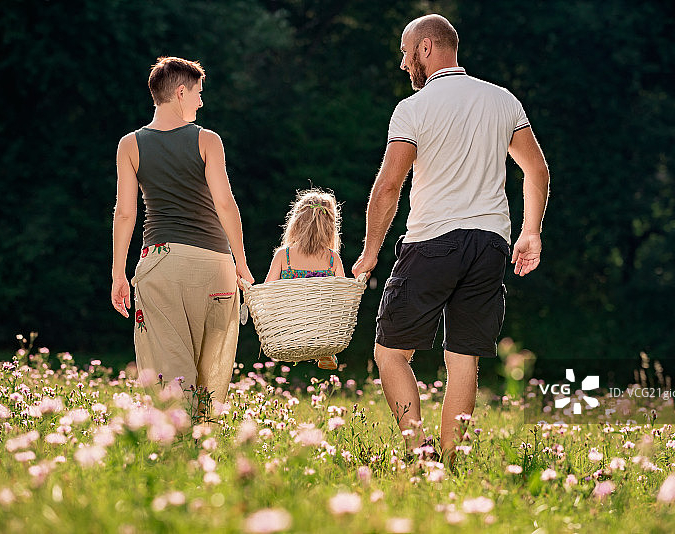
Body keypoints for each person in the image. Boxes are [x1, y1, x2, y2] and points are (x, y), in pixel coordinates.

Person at [352, 14, 550, 464]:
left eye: (405, 53)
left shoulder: (413, 108)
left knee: (390, 352)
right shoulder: (502, 100)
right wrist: (530, 231)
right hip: (490, 245)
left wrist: (369, 252)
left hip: (432, 242)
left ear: (425, 48)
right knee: (463, 357)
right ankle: (449, 461)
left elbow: (388, 185)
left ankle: (417, 452)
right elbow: (536, 169)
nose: (403, 63)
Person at [111, 56, 254, 410]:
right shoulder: (208, 140)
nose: (201, 102)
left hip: (161, 266)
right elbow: (225, 204)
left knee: (171, 367)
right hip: (215, 267)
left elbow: (126, 213)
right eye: (198, 93)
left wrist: (118, 273)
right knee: (211, 368)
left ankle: (177, 434)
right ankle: (204, 432)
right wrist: (241, 262)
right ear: (180, 92)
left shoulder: (130, 145)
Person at [265, 189, 346, 370]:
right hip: (321, 325)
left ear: (296, 223)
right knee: (328, 310)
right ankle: (325, 349)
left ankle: (287, 341)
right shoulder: (332, 259)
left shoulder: (284, 256)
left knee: (284, 308)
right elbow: (343, 296)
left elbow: (267, 293)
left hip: (291, 322)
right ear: (330, 227)